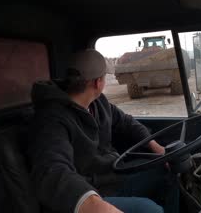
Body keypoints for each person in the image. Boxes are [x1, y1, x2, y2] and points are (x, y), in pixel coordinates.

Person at [27, 49, 179, 213]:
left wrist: (156, 147)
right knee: (150, 210)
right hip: (92, 192)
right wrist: (97, 206)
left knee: (170, 170)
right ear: (98, 83)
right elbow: (52, 171)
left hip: (114, 176)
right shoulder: (52, 119)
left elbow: (127, 122)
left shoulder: (98, 103)